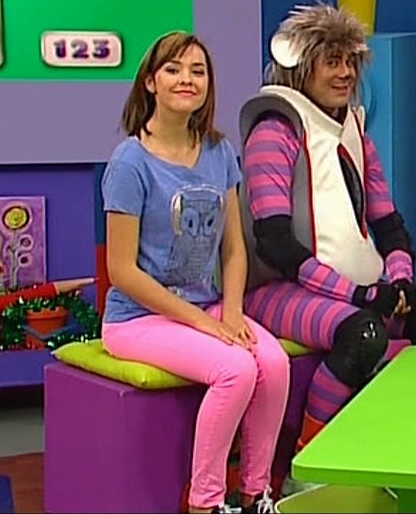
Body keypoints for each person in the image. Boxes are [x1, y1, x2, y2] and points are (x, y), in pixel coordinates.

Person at [237, 3, 416, 485]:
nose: (345, 73)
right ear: (301, 66)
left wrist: (401, 281)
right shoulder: (274, 133)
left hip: (352, 288)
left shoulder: (355, 133)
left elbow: (389, 223)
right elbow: (275, 243)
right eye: (332, 61)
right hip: (278, 290)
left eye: (351, 62)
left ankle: (411, 445)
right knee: (362, 333)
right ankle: (308, 466)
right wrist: (359, 295)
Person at [101, 31, 289, 514]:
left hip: (207, 306)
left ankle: (255, 493)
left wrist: (232, 311)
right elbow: (121, 271)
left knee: (273, 365)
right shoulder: (129, 163)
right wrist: (204, 322)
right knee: (235, 369)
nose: (187, 79)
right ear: (150, 82)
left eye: (198, 71)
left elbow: (234, 248)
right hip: (137, 318)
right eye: (174, 69)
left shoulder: (219, 153)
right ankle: (205, 502)